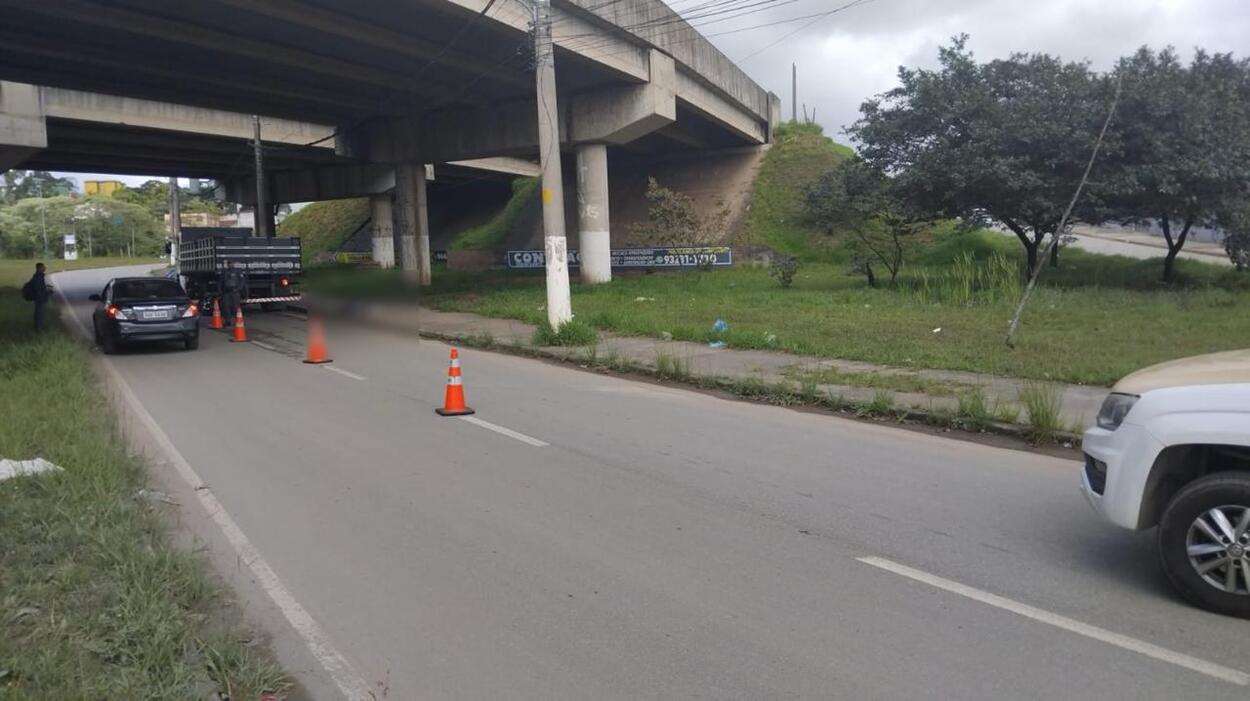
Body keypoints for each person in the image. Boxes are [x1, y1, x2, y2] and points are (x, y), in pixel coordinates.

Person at [23, 262, 53, 332]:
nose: (44, 268)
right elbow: (39, 290)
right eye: (43, 267)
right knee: (39, 314)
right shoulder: (38, 278)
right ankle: (39, 328)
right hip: (39, 299)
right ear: (39, 268)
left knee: (39, 313)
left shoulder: (39, 276)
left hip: (39, 298)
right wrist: (47, 293)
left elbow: (41, 288)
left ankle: (39, 327)